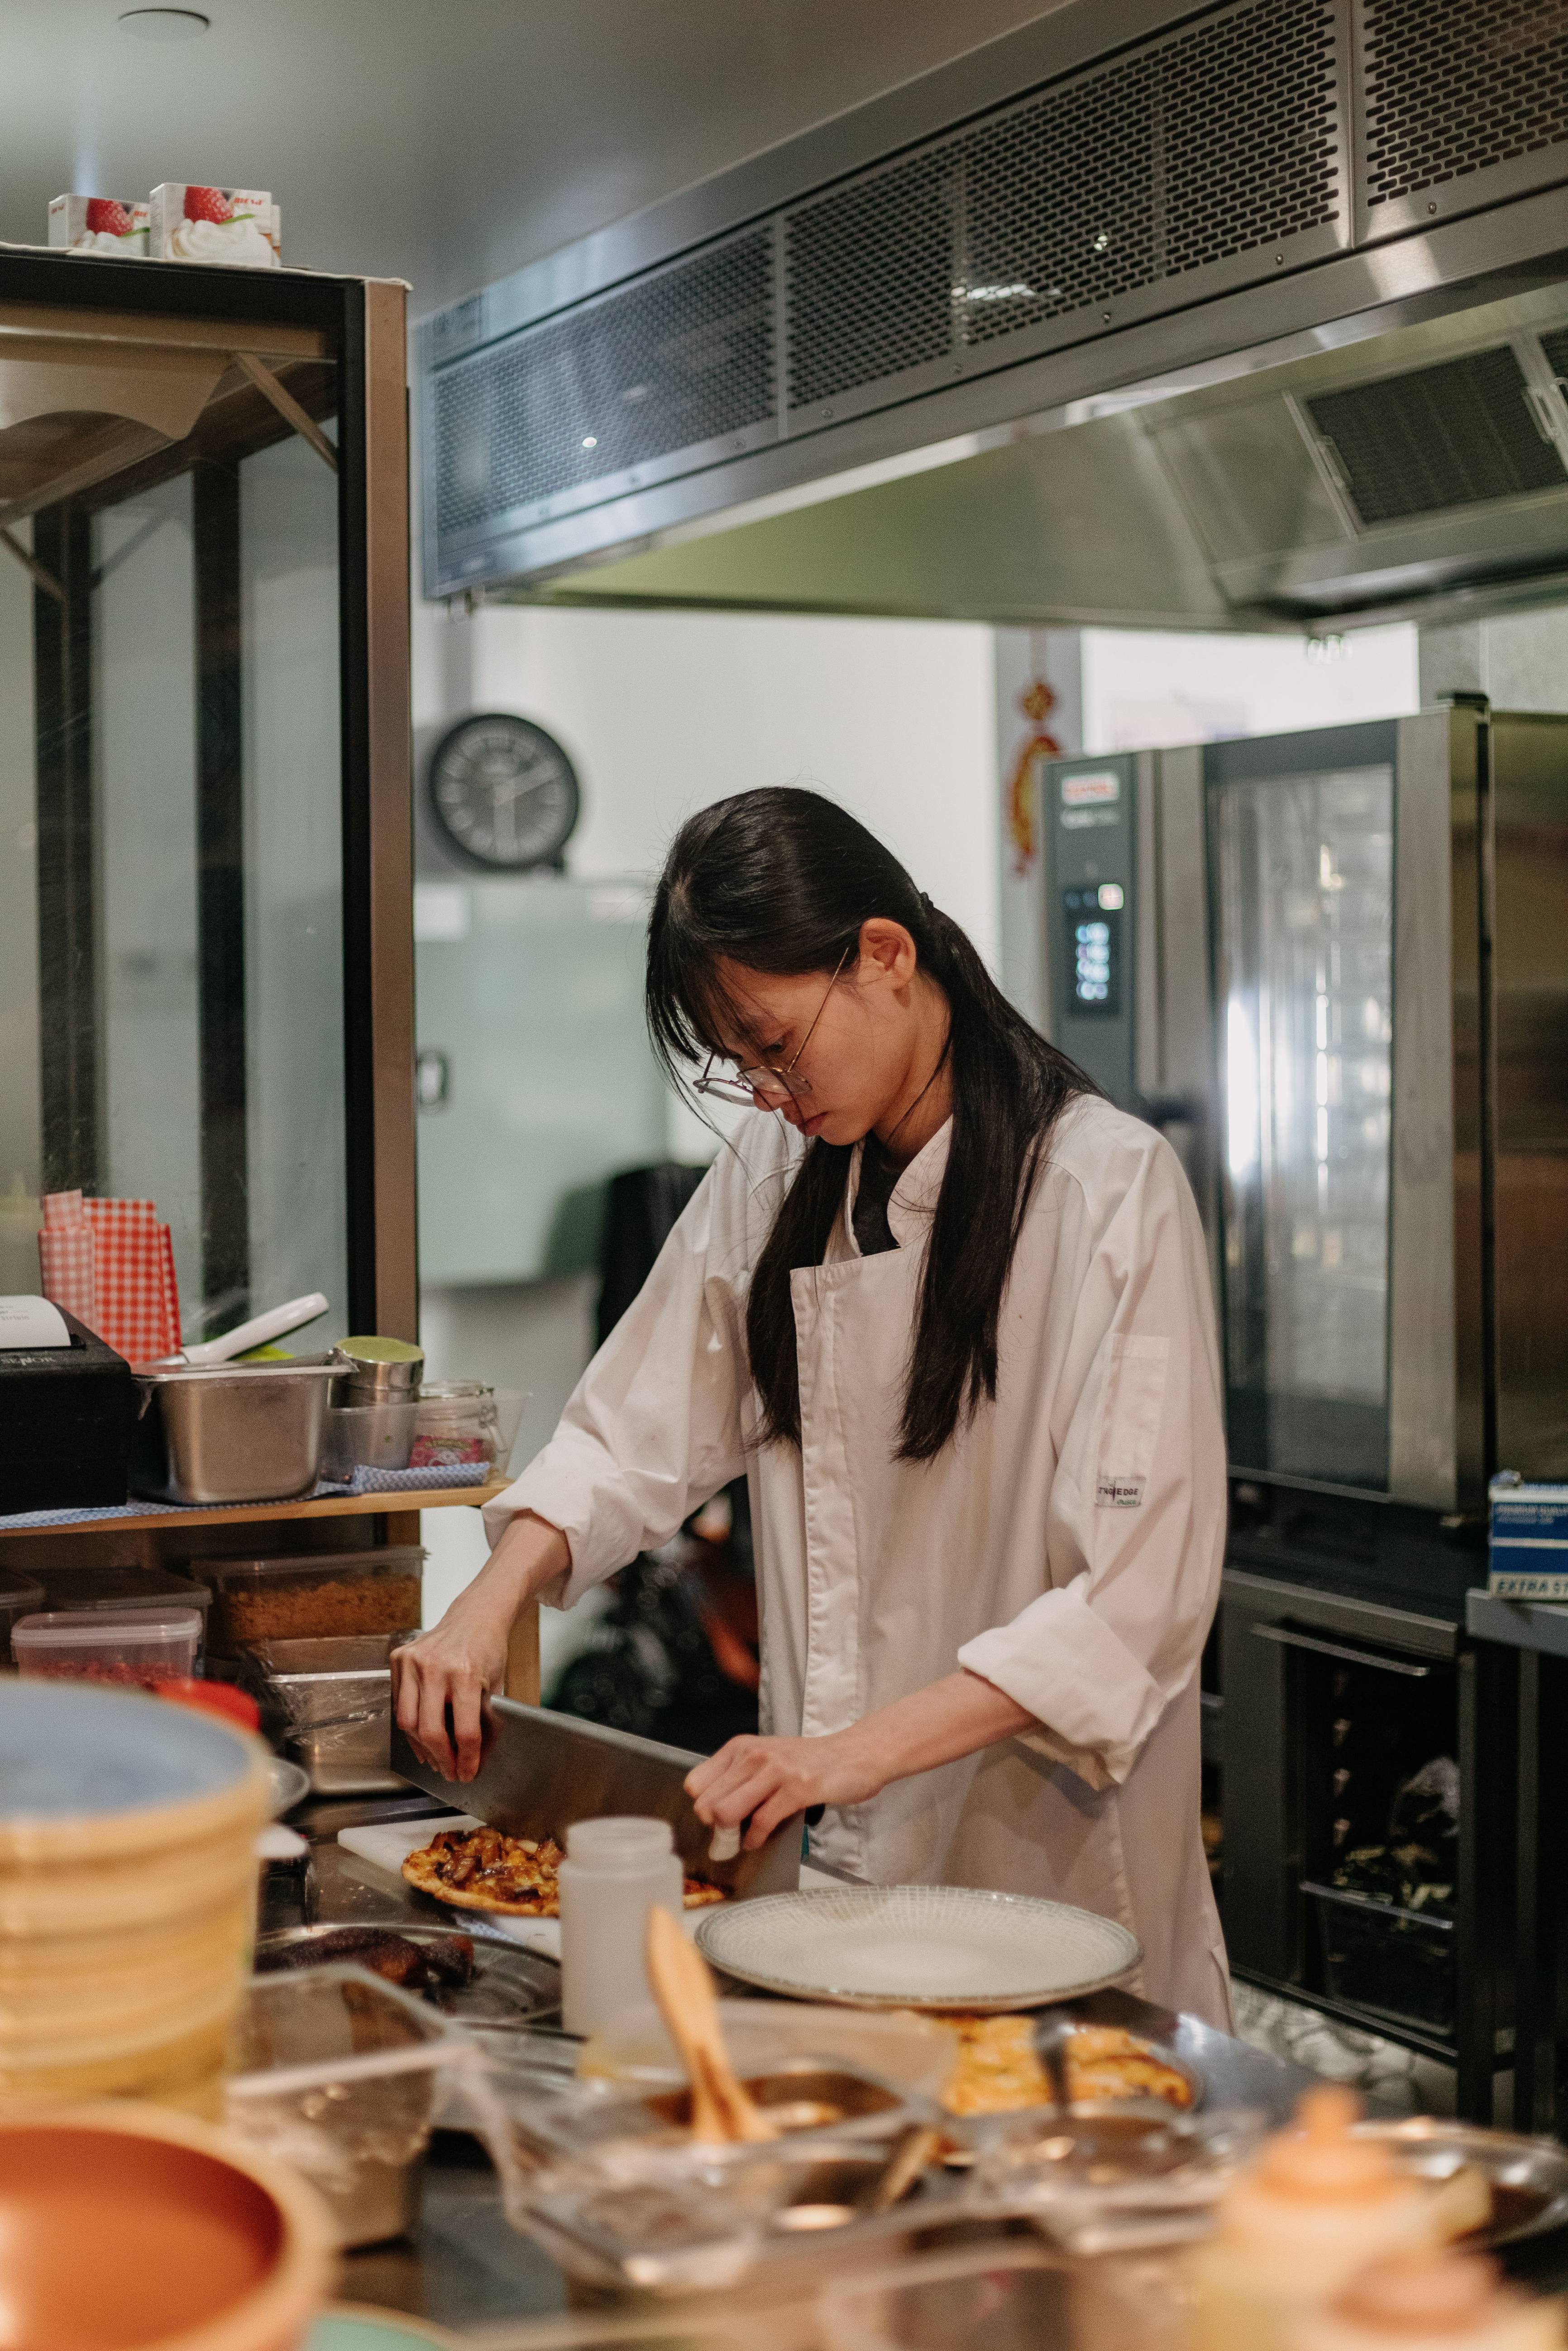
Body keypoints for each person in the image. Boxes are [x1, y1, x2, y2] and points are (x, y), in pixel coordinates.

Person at [392, 786, 1231, 2025]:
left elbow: (1130, 1603)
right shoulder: (777, 1176)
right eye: (738, 1066)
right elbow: (631, 1428)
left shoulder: (1104, 1189)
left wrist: (846, 1754)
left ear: (884, 955)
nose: (768, 1090)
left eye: (776, 1045)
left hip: (1048, 1869)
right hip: (830, 1863)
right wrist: (485, 1602)